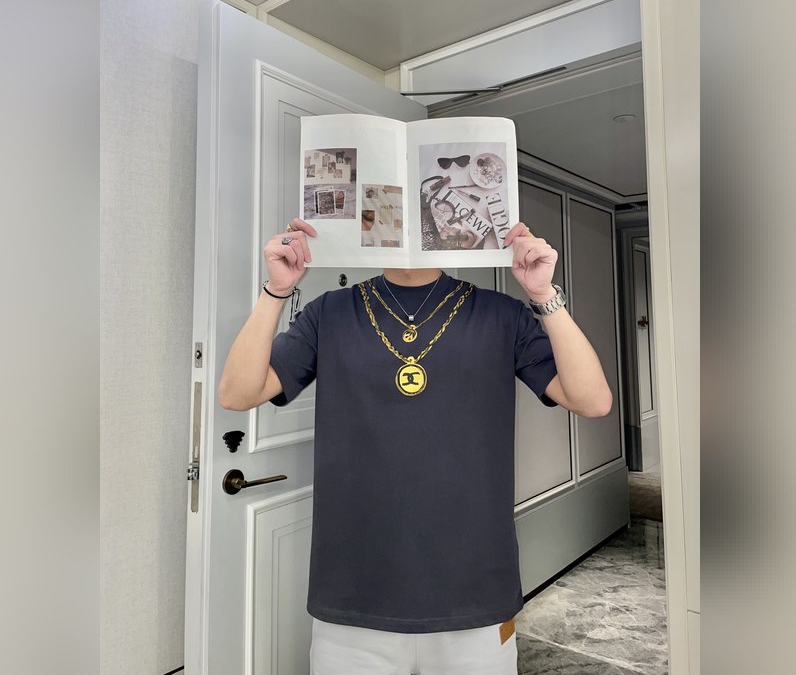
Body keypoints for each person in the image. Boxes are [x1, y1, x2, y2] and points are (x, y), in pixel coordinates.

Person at [219, 217, 612, 675]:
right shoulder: (330, 312)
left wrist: (544, 295)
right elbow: (237, 394)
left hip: (474, 596)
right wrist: (277, 290)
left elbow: (593, 400)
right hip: (353, 598)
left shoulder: (501, 314)